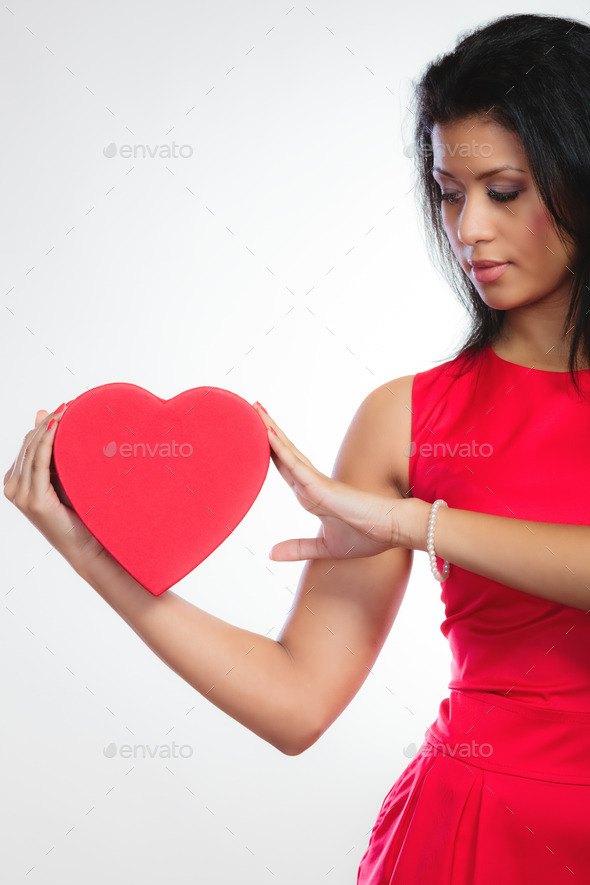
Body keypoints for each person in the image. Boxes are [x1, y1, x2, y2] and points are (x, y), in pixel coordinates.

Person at [5, 10, 590, 883]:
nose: (466, 230)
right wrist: (95, 555)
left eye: (501, 191)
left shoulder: (405, 500)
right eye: (448, 193)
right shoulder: (407, 417)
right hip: (476, 837)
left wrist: (409, 523)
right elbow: (297, 702)